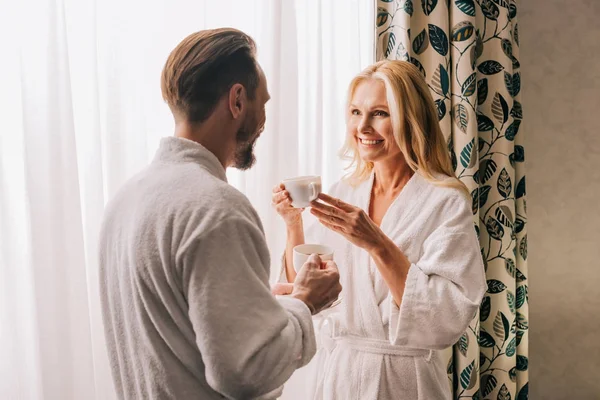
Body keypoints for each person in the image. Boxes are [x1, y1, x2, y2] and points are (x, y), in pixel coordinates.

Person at [99, 28, 341, 400]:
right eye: (264, 102)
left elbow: (177, 329)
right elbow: (246, 373)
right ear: (238, 100)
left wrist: (263, 307)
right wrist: (305, 303)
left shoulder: (125, 200)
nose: (263, 119)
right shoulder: (217, 208)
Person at [272, 60, 487, 399]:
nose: (363, 126)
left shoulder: (444, 200)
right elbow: (306, 284)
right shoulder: (347, 192)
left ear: (410, 120)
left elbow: (448, 314)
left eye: (380, 114)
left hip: (405, 380)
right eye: (356, 112)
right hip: (340, 376)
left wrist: (377, 243)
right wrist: (293, 224)